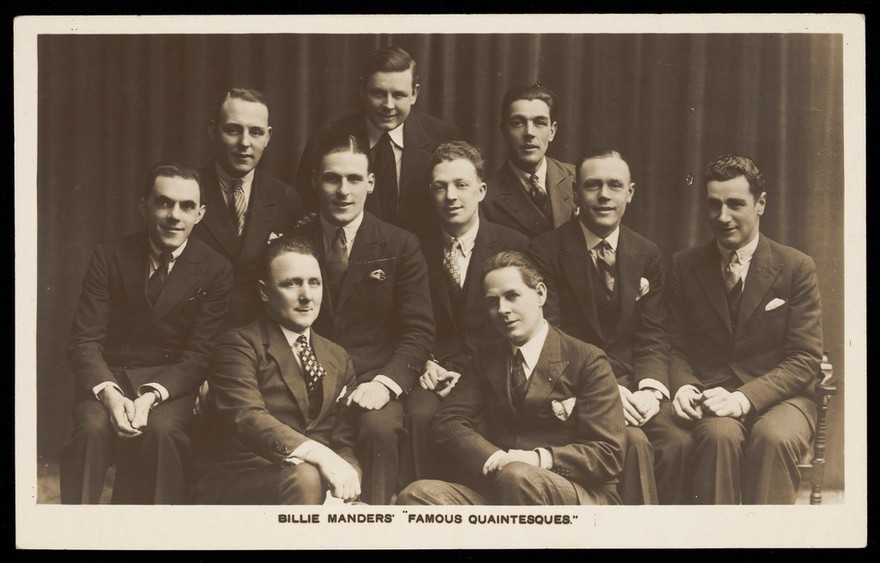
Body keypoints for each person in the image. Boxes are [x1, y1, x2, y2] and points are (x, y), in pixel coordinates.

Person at [60, 161, 233, 504]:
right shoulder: (109, 256)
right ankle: (74, 532)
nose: (174, 216)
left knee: (164, 432)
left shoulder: (215, 269)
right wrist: (110, 394)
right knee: (91, 432)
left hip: (169, 384)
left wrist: (152, 395)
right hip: (110, 377)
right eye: (163, 202)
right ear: (143, 205)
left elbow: (200, 354)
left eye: (186, 206)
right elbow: (84, 340)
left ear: (200, 214)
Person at [397, 251, 625, 505]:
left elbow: (608, 454)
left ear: (540, 294)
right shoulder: (485, 358)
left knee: (517, 476)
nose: (502, 310)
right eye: (492, 302)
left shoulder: (587, 359)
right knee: (416, 495)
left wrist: (536, 459)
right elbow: (449, 422)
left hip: (578, 493)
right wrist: (495, 458)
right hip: (502, 484)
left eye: (512, 296)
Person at [529, 149, 691, 504]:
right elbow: (549, 334)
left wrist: (650, 390)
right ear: (575, 192)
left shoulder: (646, 252)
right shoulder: (546, 250)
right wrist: (607, 391)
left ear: (629, 193)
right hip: (575, 385)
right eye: (593, 186)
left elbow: (653, 333)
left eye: (614, 186)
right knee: (631, 442)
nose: (604, 195)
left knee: (677, 440)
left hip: (635, 383)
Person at [667, 154, 824, 504]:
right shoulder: (684, 264)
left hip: (784, 399)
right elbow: (675, 345)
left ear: (761, 204)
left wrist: (744, 398)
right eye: (714, 205)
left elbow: (804, 357)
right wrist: (684, 387)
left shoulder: (795, 267)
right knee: (717, 437)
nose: (722, 217)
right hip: (713, 393)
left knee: (773, 439)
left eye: (735, 204)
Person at [292, 133, 434, 504]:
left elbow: (418, 330)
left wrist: (386, 384)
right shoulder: (294, 243)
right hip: (305, 378)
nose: (343, 190)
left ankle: (374, 526)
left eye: (354, 179)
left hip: (374, 377)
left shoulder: (400, 244)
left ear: (370, 184)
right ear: (314, 181)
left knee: (379, 426)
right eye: (332, 178)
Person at [193, 236, 361, 504]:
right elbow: (248, 418)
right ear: (264, 292)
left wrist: (347, 478)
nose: (306, 296)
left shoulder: (338, 357)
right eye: (291, 283)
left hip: (316, 480)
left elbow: (343, 441)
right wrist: (321, 459)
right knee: (306, 477)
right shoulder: (239, 345)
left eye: (314, 283)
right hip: (243, 479)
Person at [410, 141, 528, 481]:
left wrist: (479, 371)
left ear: (481, 190)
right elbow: (405, 319)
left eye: (461, 185)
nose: (451, 196)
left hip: (493, 368)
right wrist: (426, 362)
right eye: (440, 187)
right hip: (435, 369)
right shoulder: (414, 245)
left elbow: (522, 321)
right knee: (419, 415)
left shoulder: (513, 244)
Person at [295, 46, 460, 234]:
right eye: (378, 94)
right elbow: (307, 210)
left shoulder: (444, 138)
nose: (388, 105)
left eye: (398, 95)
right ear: (362, 89)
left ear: (414, 94)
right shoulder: (326, 139)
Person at [193, 87, 303, 330]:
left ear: (268, 137)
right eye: (233, 130)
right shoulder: (187, 191)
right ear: (213, 131)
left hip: (261, 337)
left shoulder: (286, 199)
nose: (245, 143)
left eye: (255, 132)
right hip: (195, 332)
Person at [482, 83, 576, 239]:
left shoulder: (577, 178)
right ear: (504, 131)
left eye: (539, 122)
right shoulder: (487, 198)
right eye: (518, 123)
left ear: (552, 131)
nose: (529, 133)